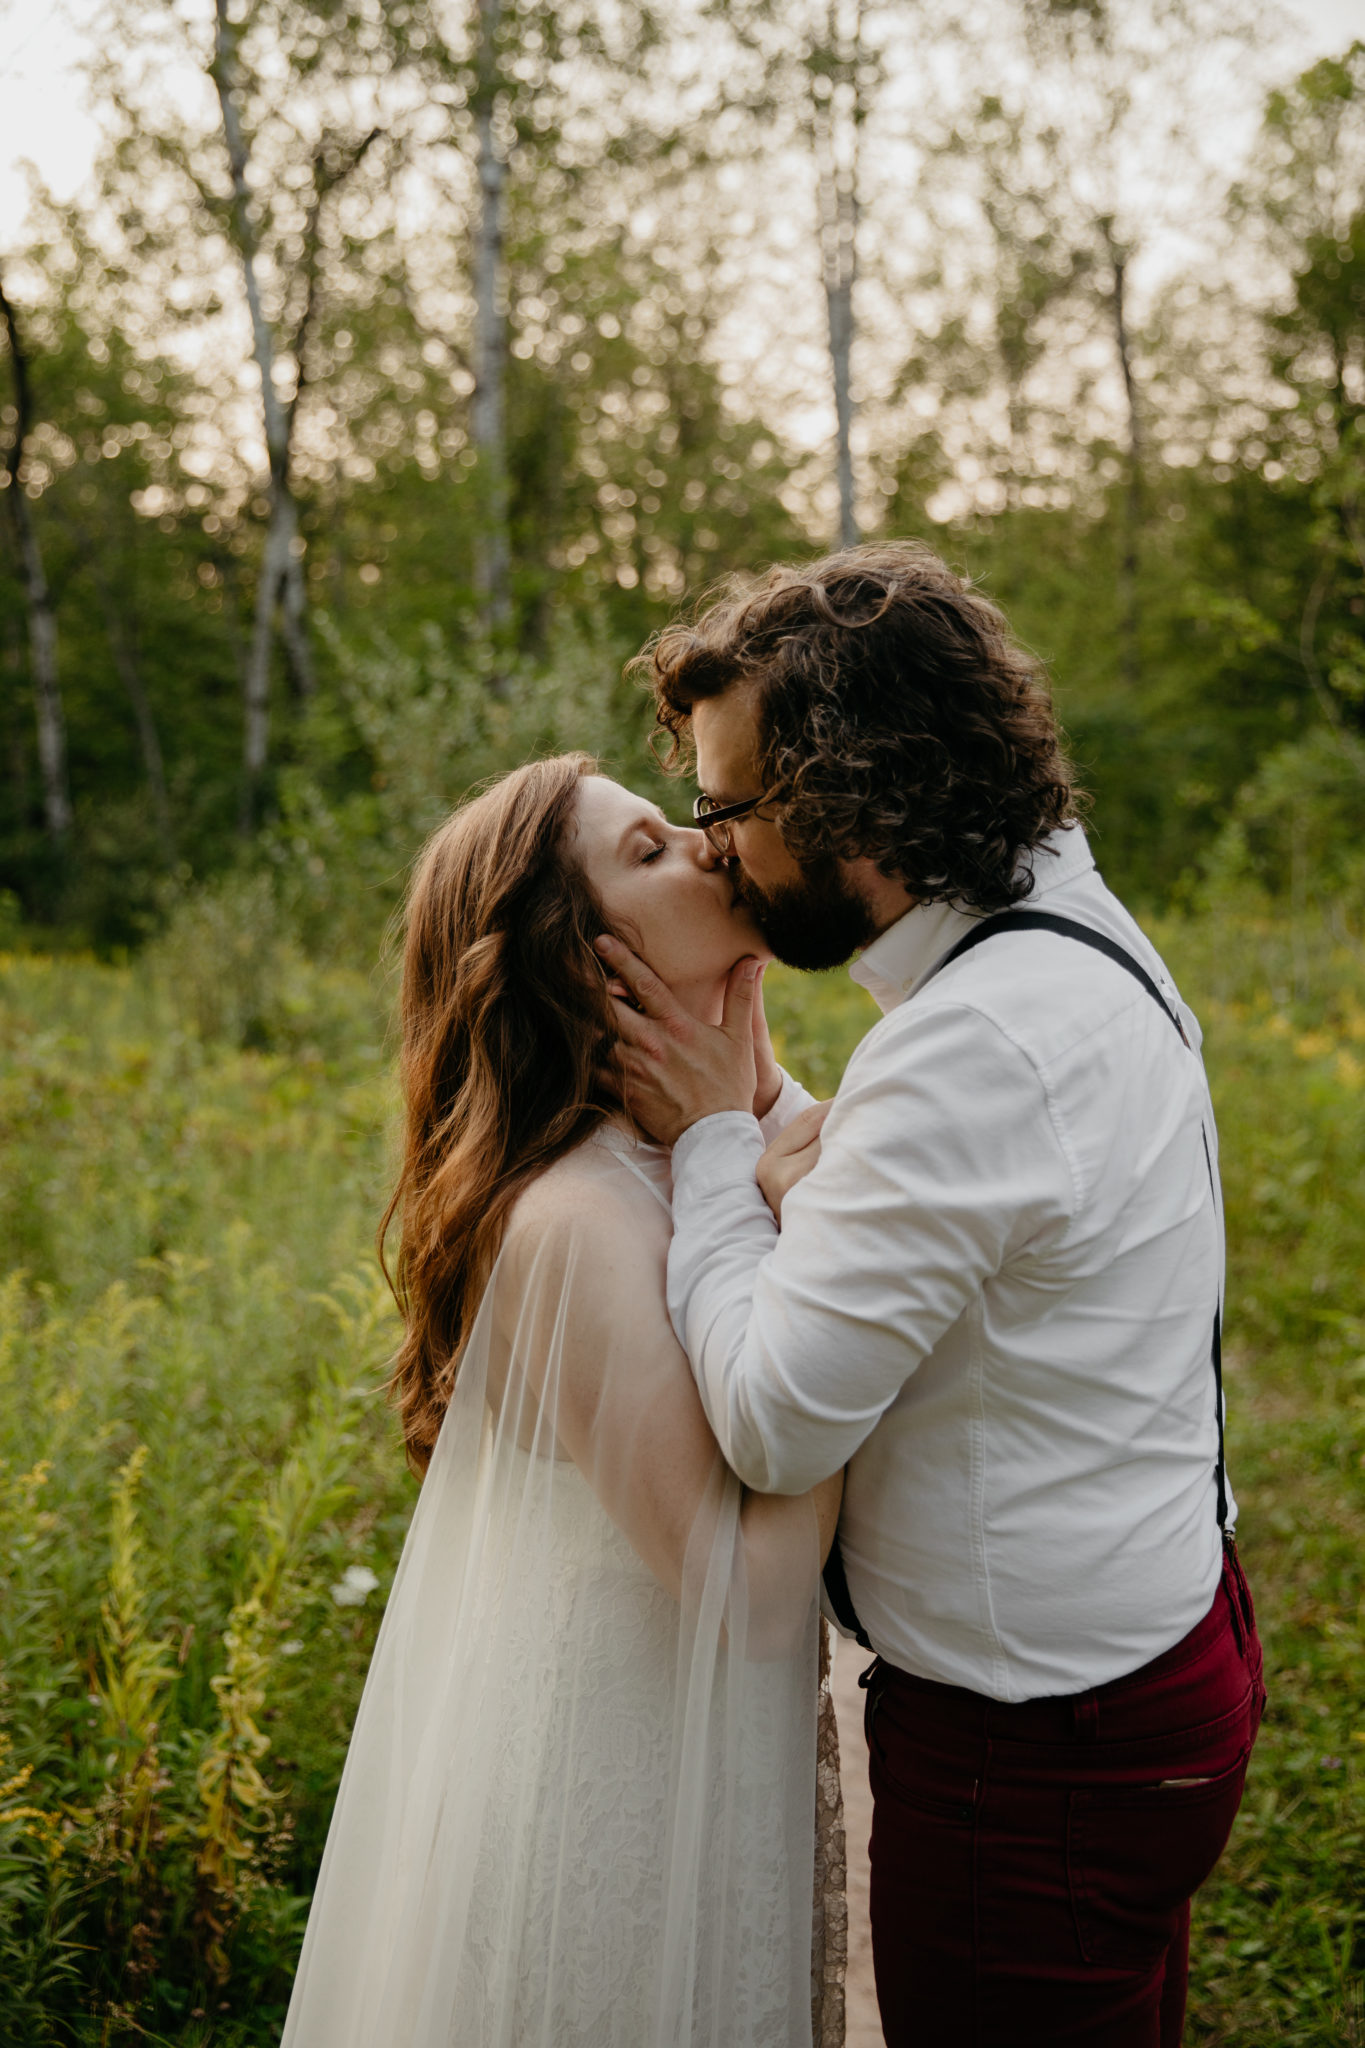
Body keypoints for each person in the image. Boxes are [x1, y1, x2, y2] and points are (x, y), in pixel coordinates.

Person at [598, 540, 1267, 2048]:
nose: (712, 850)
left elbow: (771, 1422)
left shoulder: (971, 1045)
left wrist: (715, 1142)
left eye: (727, 808)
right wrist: (781, 1149)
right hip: (1160, 1646)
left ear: (852, 795)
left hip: (1038, 1759)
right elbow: (943, 1196)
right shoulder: (1061, 927)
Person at [281, 754, 846, 2048]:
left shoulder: (693, 1145)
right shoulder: (579, 1223)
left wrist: (747, 1122)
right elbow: (751, 1601)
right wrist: (828, 1293)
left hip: (704, 1765)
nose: (709, 846)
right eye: (647, 852)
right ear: (579, 964)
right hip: (631, 1807)